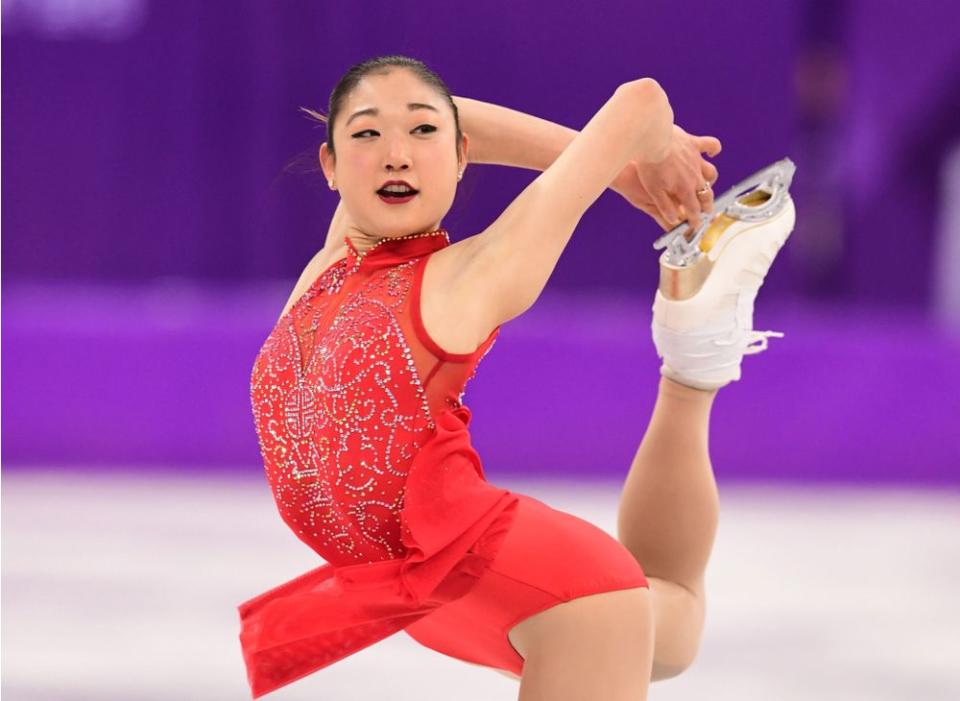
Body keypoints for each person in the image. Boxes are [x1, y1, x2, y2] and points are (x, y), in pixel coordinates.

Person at [237, 55, 795, 701]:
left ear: (460, 155)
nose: (395, 155)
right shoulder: (333, 261)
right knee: (669, 622)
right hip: (437, 595)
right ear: (330, 164)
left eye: (423, 136)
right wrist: (618, 166)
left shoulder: (476, 273)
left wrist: (628, 160)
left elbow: (640, 100)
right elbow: (447, 113)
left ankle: (696, 357)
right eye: (366, 135)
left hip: (553, 598)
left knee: (667, 620)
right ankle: (696, 348)